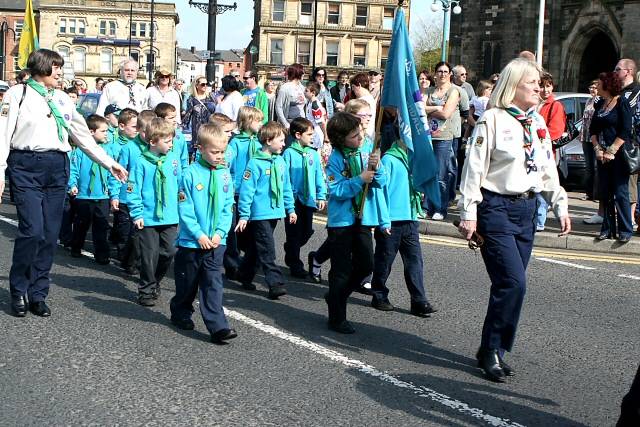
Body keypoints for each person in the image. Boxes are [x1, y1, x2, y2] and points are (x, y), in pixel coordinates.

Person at [457, 58, 570, 382]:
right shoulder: (491, 120)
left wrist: (560, 205)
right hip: (496, 209)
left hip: (527, 209)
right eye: (532, 82)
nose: (539, 88)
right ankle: (492, 350)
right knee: (513, 282)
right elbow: (473, 170)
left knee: (510, 286)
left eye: (539, 83)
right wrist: (469, 213)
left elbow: (547, 168)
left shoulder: (535, 123)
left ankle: (492, 349)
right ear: (514, 86)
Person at [0, 49, 127, 317]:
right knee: (31, 231)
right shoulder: (18, 95)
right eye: (56, 67)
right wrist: (0, 172)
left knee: (49, 234)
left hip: (57, 167)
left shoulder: (61, 99)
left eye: (60, 67)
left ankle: (38, 293)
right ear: (42, 67)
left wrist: (109, 163)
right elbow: (3, 135)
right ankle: (18, 289)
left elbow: (81, 134)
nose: (60, 72)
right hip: (26, 166)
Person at [170, 123, 237, 344]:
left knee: (212, 282)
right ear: (200, 148)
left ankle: (218, 326)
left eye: (222, 151)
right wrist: (198, 234)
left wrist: (219, 233)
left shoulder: (225, 174)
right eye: (214, 152)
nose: (220, 156)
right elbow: (185, 208)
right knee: (188, 283)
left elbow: (228, 208)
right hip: (192, 241)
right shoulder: (189, 174)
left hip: (217, 241)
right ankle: (181, 311)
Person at [324, 112, 389, 334]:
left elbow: (382, 182)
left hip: (363, 218)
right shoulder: (334, 159)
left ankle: (337, 294)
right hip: (341, 221)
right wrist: (359, 179)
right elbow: (336, 190)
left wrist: (377, 168)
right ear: (340, 139)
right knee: (340, 270)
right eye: (354, 136)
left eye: (360, 133)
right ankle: (337, 316)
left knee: (366, 265)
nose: (360, 138)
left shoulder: (367, 149)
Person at [370, 140, 437, 317]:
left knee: (415, 262)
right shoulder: (389, 160)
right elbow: (379, 191)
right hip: (392, 220)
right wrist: (383, 221)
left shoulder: (413, 159)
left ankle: (418, 300)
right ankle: (379, 295)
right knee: (384, 261)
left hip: (410, 219)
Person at [234, 122, 296, 299]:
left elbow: (286, 187)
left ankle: (244, 274)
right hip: (259, 214)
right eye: (281, 140)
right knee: (268, 248)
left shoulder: (280, 161)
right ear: (268, 140)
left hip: (275, 212)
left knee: (256, 246)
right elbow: (247, 191)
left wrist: (290, 208)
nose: (284, 144)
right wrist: (244, 215)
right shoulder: (255, 163)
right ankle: (275, 283)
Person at [128, 118, 181, 306]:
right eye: (167, 141)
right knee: (149, 256)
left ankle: (155, 280)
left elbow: (180, 185)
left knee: (169, 252)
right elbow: (133, 189)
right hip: (148, 218)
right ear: (153, 142)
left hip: (170, 216)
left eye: (171, 140)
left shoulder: (173, 161)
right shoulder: (141, 162)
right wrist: (137, 213)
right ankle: (146, 290)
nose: (171, 144)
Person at [590, 72, 633, 242]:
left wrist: (612, 150)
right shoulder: (600, 103)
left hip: (619, 155)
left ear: (607, 85)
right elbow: (593, 129)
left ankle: (625, 230)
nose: (596, 87)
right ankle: (607, 229)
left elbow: (625, 130)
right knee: (605, 192)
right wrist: (597, 148)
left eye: (599, 84)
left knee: (620, 192)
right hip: (602, 155)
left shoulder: (622, 102)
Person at [68, 114, 116, 264]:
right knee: (81, 224)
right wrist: (73, 185)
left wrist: (113, 194)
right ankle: (76, 246)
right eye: (103, 131)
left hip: (102, 196)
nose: (106, 134)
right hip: (84, 196)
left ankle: (102, 254)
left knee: (101, 225)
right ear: (91, 132)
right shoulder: (80, 151)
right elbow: (73, 170)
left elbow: (113, 174)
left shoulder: (108, 151)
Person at [282, 117, 327, 278]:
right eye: (309, 134)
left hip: (308, 199)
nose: (313, 137)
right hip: (293, 201)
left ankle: (290, 247)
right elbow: (284, 177)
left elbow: (318, 176)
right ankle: (295, 264)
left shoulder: (313, 154)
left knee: (306, 231)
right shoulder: (288, 153)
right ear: (298, 135)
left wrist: (321, 195)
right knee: (293, 234)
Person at [108, 109, 150, 274]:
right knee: (127, 232)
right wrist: (115, 195)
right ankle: (125, 259)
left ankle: (133, 260)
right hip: (126, 197)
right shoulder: (129, 148)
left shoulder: (154, 148)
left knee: (139, 234)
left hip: (144, 199)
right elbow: (118, 173)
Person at [224, 106, 264, 278]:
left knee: (249, 229)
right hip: (237, 191)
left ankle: (248, 260)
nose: (261, 124)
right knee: (233, 230)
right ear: (248, 122)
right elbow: (229, 167)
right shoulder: (235, 143)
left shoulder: (258, 142)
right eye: (258, 120)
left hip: (253, 191)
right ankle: (232, 263)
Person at [423, 61, 461, 220]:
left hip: (443, 138)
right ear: (435, 73)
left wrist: (430, 111)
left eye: (446, 71)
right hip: (426, 137)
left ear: (450, 74)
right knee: (427, 173)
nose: (443, 74)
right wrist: (436, 108)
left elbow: (446, 114)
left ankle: (439, 208)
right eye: (440, 71)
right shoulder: (429, 90)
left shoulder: (454, 91)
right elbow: (419, 108)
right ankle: (426, 207)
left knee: (441, 175)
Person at [536, 72, 567, 231]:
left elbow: (554, 131)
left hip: (546, 153)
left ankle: (539, 221)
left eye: (548, 86)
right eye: (542, 86)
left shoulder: (555, 106)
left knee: (543, 186)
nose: (545, 90)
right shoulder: (535, 104)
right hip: (531, 154)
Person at [616, 59, 640, 228]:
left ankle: (630, 218)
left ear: (628, 71)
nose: (615, 72)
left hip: (632, 143)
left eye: (618, 69)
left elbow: (631, 116)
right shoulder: (619, 91)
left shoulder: (636, 92)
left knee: (630, 183)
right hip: (620, 142)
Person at [183, 75, 216, 160]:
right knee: (198, 151)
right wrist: (183, 127)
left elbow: (216, 112)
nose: (205, 86)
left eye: (206, 84)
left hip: (210, 127)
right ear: (196, 85)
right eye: (202, 84)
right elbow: (187, 115)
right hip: (197, 129)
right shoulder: (192, 99)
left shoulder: (211, 97)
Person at [582, 80, 601, 208]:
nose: (592, 89)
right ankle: (588, 192)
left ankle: (596, 194)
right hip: (585, 137)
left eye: (594, 87)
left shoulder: (600, 101)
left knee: (596, 167)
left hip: (595, 138)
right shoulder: (588, 101)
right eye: (590, 87)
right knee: (589, 167)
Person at [154, 102, 189, 171]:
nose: (175, 120)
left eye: (175, 117)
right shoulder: (155, 136)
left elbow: (184, 158)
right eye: (171, 118)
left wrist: (185, 171)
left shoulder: (179, 136)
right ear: (161, 119)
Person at [275, 63, 306, 130]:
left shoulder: (302, 88)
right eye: (303, 72)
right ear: (298, 72)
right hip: (290, 124)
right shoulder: (285, 87)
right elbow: (278, 106)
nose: (304, 74)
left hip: (301, 123)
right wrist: (285, 124)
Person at [350, 72, 377, 140]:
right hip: (368, 136)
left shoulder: (362, 101)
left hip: (362, 137)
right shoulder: (370, 99)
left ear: (359, 85)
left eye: (353, 87)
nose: (352, 90)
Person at [304, 82, 328, 150]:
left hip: (316, 136)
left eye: (306, 91)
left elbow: (321, 122)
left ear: (313, 93)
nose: (304, 92)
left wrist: (326, 136)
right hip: (311, 133)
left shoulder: (315, 106)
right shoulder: (310, 102)